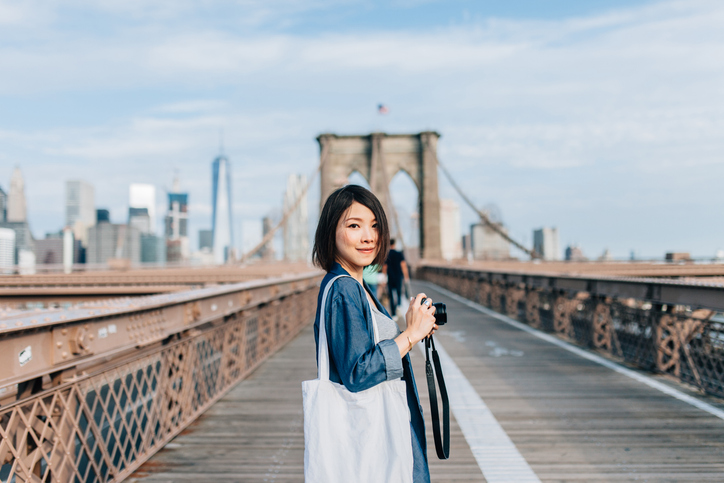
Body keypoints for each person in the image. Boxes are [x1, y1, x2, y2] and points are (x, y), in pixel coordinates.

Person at [312, 185, 437, 483]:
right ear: (331, 232)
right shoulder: (343, 288)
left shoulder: (358, 286)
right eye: (354, 226)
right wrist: (409, 335)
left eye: (375, 226)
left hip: (382, 425)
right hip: (374, 432)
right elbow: (358, 372)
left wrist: (414, 329)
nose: (368, 236)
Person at [383, 238, 410, 315]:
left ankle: (393, 313)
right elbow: (403, 266)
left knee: (391, 295)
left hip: (390, 277)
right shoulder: (399, 254)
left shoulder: (387, 254)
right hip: (398, 277)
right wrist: (406, 277)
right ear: (394, 244)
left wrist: (384, 278)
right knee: (399, 292)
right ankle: (398, 305)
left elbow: (385, 267)